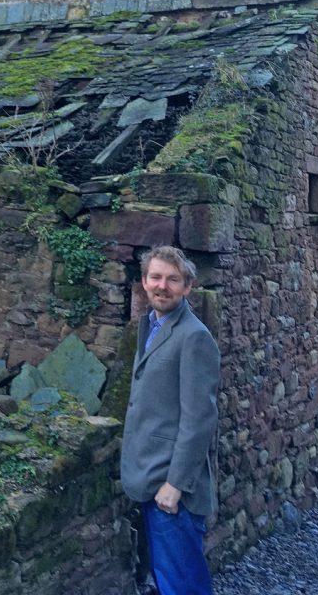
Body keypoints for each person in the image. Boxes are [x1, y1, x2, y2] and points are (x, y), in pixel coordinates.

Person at [120, 245, 220, 595]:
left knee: (183, 585)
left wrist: (175, 484)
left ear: (188, 286)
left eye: (172, 279)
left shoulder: (194, 338)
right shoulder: (150, 325)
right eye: (156, 277)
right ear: (144, 282)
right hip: (149, 474)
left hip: (171, 490)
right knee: (166, 579)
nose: (163, 286)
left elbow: (199, 420)